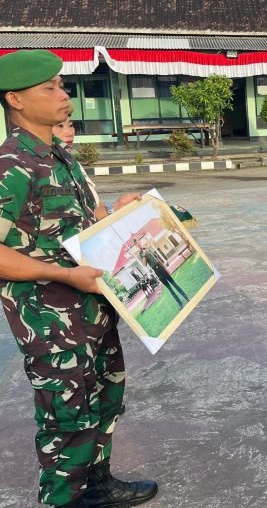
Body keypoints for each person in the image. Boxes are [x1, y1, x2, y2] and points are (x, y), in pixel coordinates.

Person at [0, 49, 156, 508]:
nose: (63, 94)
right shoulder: (11, 165)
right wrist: (63, 274)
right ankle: (66, 499)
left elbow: (79, 226)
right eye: (49, 88)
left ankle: (98, 487)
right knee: (67, 421)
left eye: (62, 85)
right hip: (50, 322)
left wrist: (117, 211)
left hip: (95, 308)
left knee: (105, 403)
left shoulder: (59, 155)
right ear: (16, 100)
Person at [136, 240, 191, 308]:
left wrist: (166, 268)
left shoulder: (147, 249)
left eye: (138, 242)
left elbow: (158, 259)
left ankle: (186, 297)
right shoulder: (140, 254)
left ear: (140, 242)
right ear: (136, 246)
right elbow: (144, 264)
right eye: (136, 244)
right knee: (170, 288)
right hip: (157, 271)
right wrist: (144, 254)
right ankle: (180, 304)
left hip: (161, 268)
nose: (138, 244)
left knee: (174, 284)